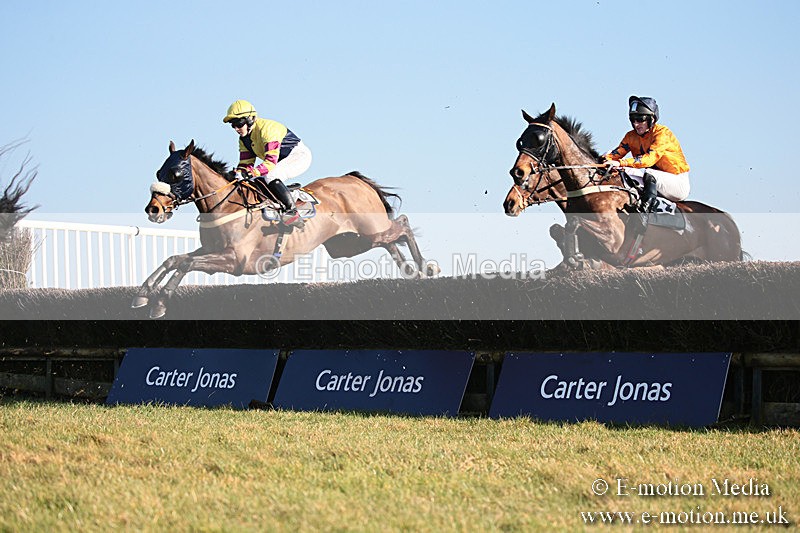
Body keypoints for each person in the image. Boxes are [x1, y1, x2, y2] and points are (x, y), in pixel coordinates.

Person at [603, 96, 690, 231]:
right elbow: (615, 154)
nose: (636, 124)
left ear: (652, 119)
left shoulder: (663, 134)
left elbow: (648, 160)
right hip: (653, 180)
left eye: (640, 120)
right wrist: (602, 160)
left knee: (642, 171)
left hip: (677, 183)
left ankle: (645, 215)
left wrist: (621, 163)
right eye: (633, 120)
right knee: (622, 173)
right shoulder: (630, 136)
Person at [223, 99, 312, 228]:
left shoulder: (267, 129)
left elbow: (270, 163)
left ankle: (291, 212)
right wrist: (237, 173)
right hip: (280, 162)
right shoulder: (244, 139)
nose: (236, 128)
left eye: (239, 123)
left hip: (299, 156)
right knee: (255, 180)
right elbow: (246, 164)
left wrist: (249, 173)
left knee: (270, 176)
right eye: (233, 125)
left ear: (250, 119)